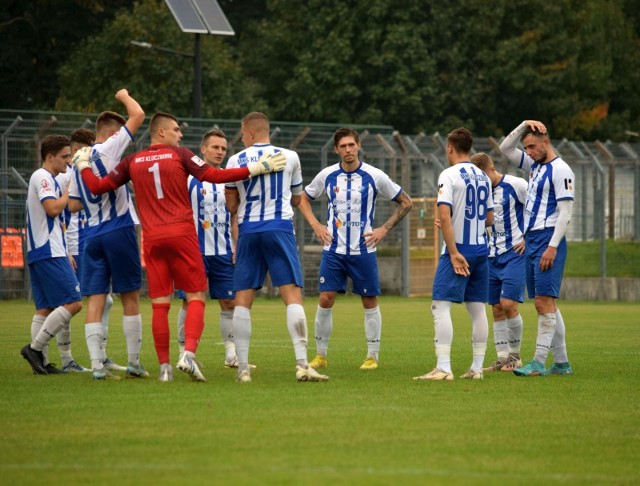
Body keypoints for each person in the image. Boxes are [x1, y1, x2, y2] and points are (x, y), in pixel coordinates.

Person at [74, 112, 286, 382]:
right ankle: (188, 353)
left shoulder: (132, 160)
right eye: (176, 129)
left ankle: (164, 369)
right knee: (196, 296)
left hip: (152, 240)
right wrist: (255, 168)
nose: (180, 134)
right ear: (161, 132)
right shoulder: (180, 155)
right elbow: (212, 175)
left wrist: (83, 166)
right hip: (182, 235)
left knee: (160, 304)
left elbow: (98, 187)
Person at [224, 111, 329, 383]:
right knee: (291, 295)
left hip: (248, 230)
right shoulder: (290, 156)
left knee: (243, 300)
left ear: (248, 133)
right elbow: (296, 197)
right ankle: (303, 365)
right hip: (279, 228)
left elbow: (231, 206)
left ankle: (243, 369)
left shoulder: (235, 159)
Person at [297, 128, 412, 370]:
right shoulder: (327, 175)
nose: (348, 150)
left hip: (364, 251)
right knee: (325, 299)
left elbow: (406, 202)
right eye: (343, 146)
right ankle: (320, 355)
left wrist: (384, 229)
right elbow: (303, 199)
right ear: (336, 149)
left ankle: (373, 356)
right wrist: (316, 225)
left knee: (369, 301)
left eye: (351, 145)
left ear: (358, 146)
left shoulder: (374, 175)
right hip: (334, 251)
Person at [68, 89, 148, 380]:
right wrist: (124, 96)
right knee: (130, 296)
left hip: (89, 235)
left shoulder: (80, 161)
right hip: (118, 229)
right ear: (113, 132)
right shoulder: (110, 148)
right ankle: (135, 362)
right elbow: (138, 114)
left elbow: (74, 204)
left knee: (96, 300)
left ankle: (97, 367)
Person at [413, 128, 494, 381]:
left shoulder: (448, 174)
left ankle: (444, 367)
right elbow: (489, 218)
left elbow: (444, 215)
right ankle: (477, 368)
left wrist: (455, 252)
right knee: (477, 307)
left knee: (440, 305)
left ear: (449, 148)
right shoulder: (482, 175)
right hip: (482, 249)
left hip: (459, 250)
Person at [499, 120, 575, 376]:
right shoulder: (535, 165)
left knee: (544, 303)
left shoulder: (561, 170)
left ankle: (539, 363)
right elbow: (505, 149)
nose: (528, 152)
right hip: (531, 240)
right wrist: (521, 126)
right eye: (526, 148)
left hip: (548, 239)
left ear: (546, 142)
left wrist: (552, 247)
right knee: (546, 304)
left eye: (532, 146)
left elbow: (565, 214)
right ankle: (562, 363)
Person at [175, 129, 252, 369]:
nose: (220, 152)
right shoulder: (187, 180)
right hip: (194, 252)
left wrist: (238, 246)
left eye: (223, 148)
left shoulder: (230, 181)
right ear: (203, 149)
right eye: (215, 147)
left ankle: (231, 355)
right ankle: (183, 353)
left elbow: (234, 217)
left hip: (223, 252)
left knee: (229, 303)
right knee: (190, 302)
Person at [20, 135, 83, 375]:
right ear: (50, 157)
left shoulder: (51, 179)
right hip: (47, 250)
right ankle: (35, 349)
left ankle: (42, 363)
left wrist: (66, 250)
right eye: (65, 156)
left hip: (47, 249)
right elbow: (53, 209)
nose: (68, 161)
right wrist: (69, 191)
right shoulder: (42, 176)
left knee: (44, 308)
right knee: (74, 302)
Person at [470, 152, 527, 372]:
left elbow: (536, 210)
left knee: (509, 304)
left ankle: (515, 356)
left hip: (514, 253)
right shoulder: (479, 192)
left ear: (491, 169)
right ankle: (502, 358)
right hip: (490, 255)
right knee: (495, 308)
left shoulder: (516, 184)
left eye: (482, 176)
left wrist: (528, 240)